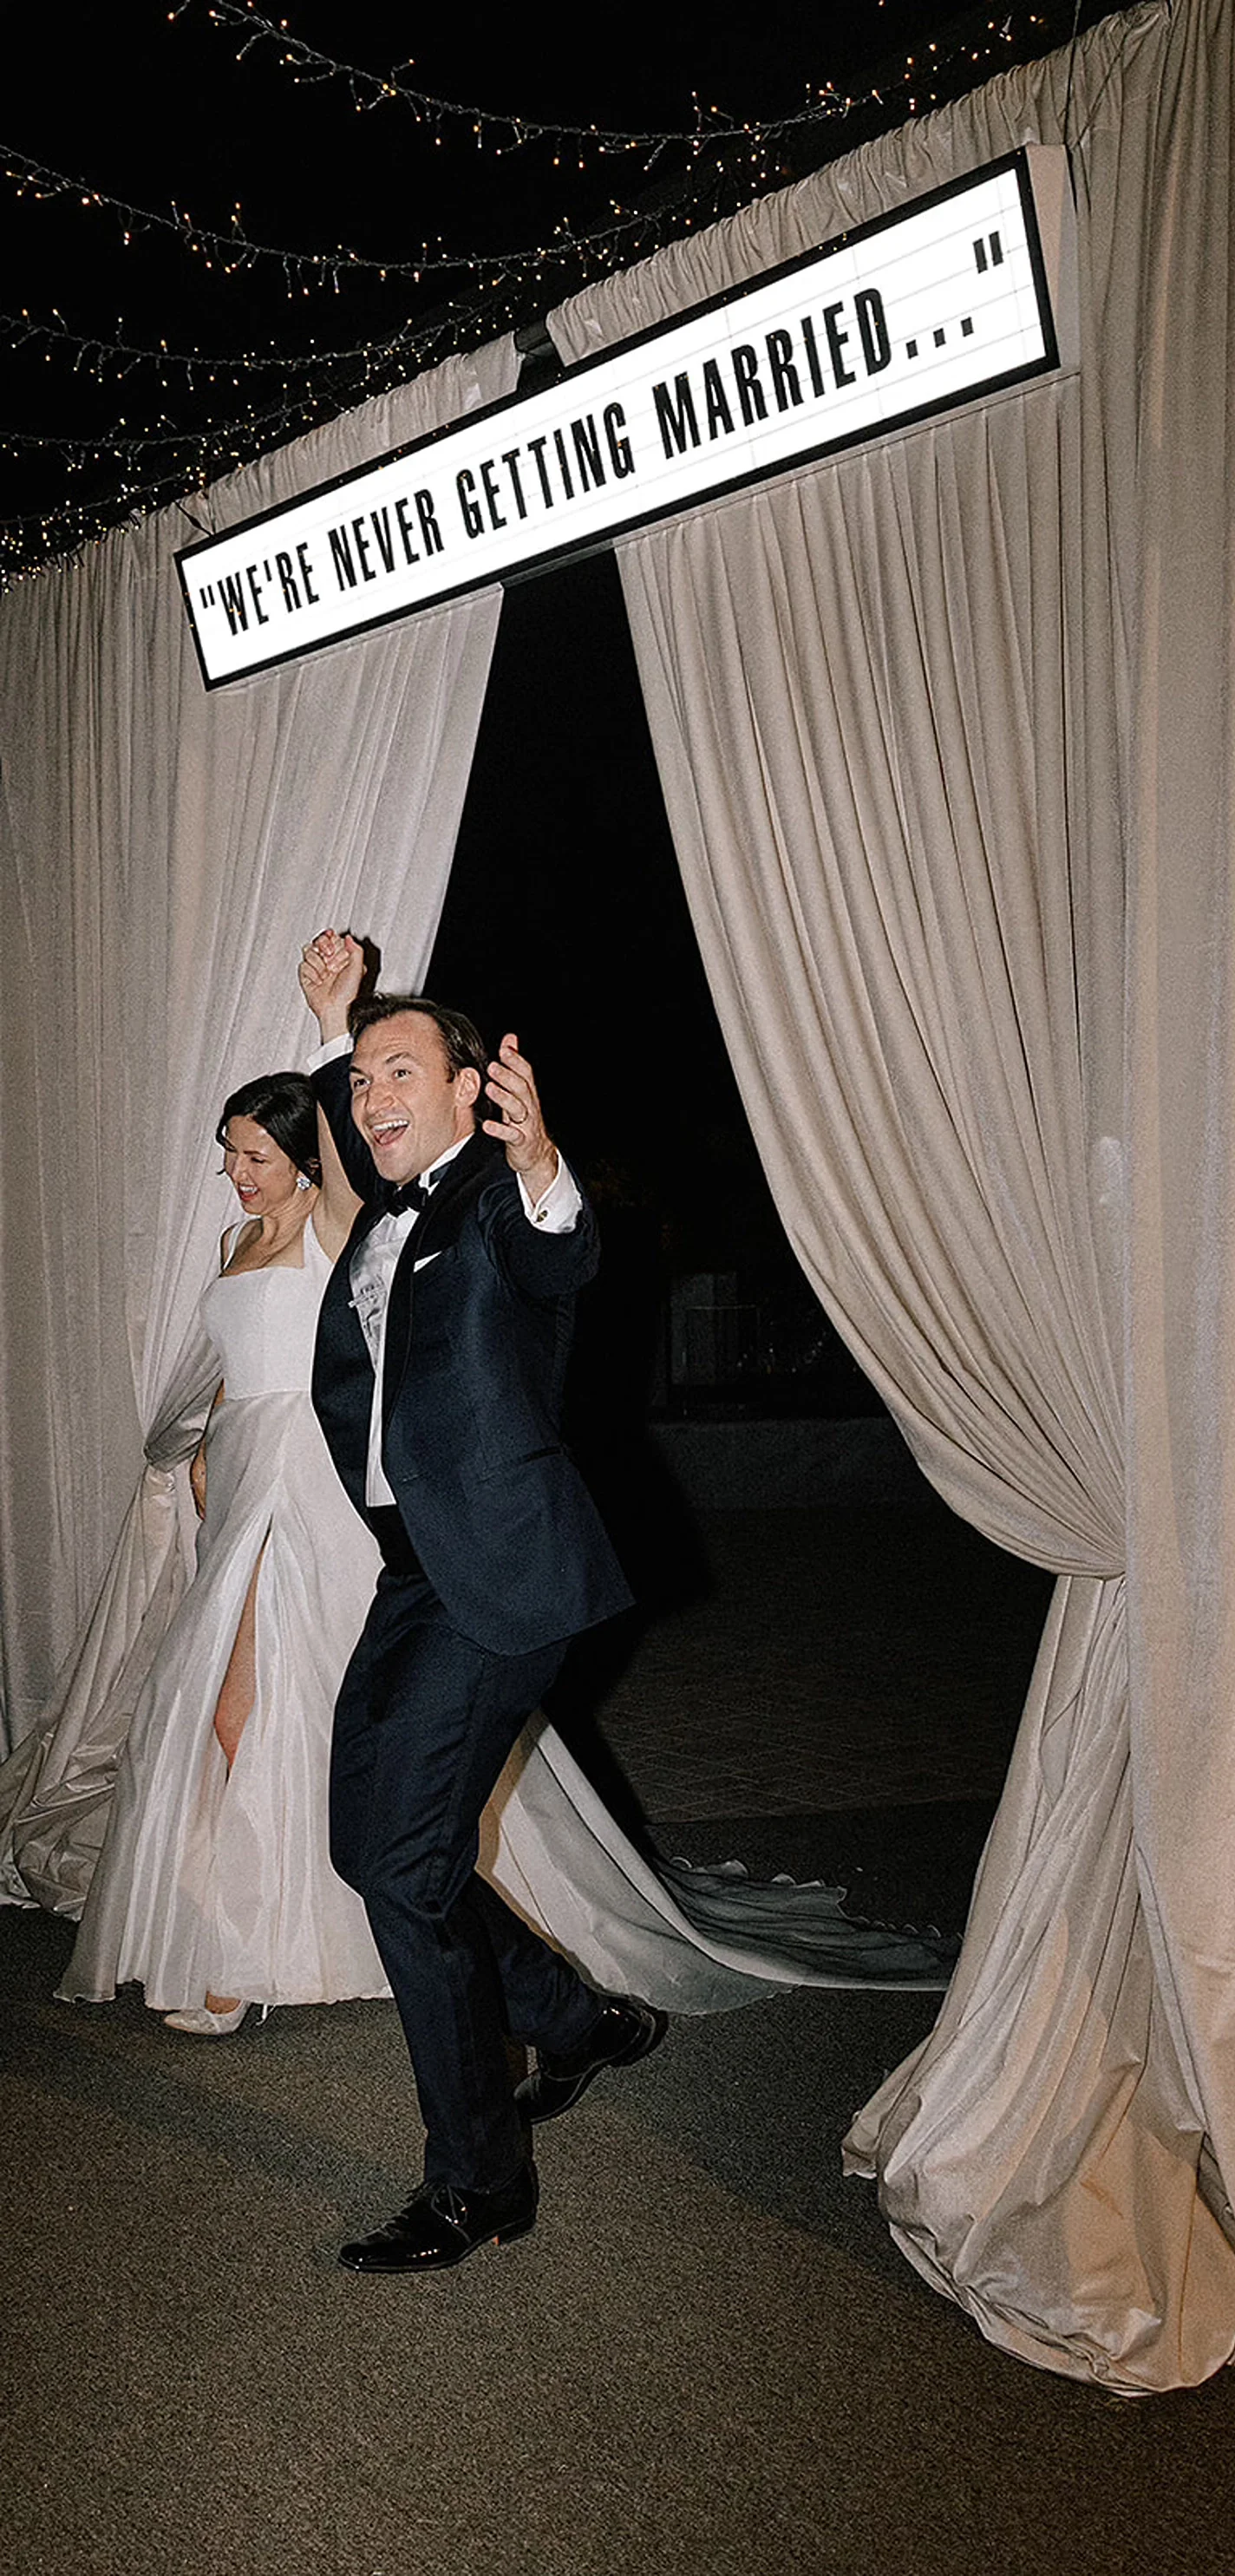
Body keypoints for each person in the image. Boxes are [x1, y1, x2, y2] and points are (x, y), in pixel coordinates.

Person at [299, 927, 663, 2276]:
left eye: (403, 1070)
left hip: (503, 1571)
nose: (372, 1094)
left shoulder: (499, 1203)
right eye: (363, 1079)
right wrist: (342, 1027)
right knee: (370, 1845)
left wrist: (540, 1160)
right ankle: (576, 2021)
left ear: (471, 1089)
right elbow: (358, 1144)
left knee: (404, 1866)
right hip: (416, 1575)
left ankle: (480, 2182)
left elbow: (561, 1247)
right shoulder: (388, 1213)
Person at [62, 1072, 388, 2025]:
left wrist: (334, 1025)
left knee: (245, 1713)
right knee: (236, 1704)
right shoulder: (235, 1241)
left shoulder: (335, 1226)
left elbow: (353, 1167)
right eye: (230, 1155)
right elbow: (233, 1364)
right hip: (240, 1471)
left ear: (306, 1160)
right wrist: (206, 1445)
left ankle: (243, 1966)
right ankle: (294, 1929)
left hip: (305, 1476)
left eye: (256, 1155)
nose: (239, 1173)